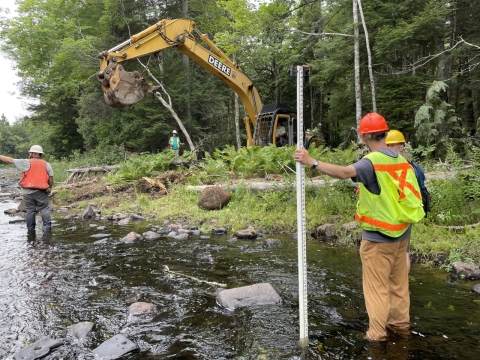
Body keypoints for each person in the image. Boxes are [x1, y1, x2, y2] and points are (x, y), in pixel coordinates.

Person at [294, 113, 425, 341]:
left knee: (377, 290)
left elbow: (344, 173)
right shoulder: (401, 160)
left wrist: (311, 161)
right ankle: (400, 327)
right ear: (385, 133)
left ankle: (376, 337)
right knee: (398, 286)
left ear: (363, 136)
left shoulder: (371, 161)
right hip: (401, 235)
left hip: (378, 240)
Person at [386, 130, 431, 273]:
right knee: (401, 251)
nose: (390, 148)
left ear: (402, 146)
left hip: (397, 214)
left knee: (400, 252)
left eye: (393, 145)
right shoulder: (414, 167)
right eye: (388, 145)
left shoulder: (392, 167)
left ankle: (399, 286)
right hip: (403, 213)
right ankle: (401, 287)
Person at [0, 145, 54, 235]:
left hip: (28, 192)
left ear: (33, 153)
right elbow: (51, 178)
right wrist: (49, 187)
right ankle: (47, 229)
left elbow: (9, 160)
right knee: (44, 209)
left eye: (30, 152)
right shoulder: (46, 164)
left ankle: (31, 231)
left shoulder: (26, 162)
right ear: (40, 154)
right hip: (41, 192)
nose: (29, 154)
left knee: (30, 211)